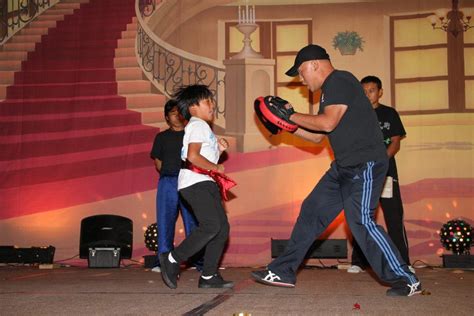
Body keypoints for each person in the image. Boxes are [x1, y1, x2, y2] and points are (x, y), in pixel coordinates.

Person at [251, 44, 421, 296]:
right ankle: (283, 270)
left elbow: (328, 123)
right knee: (312, 210)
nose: (301, 79)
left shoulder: (339, 80)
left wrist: (290, 114)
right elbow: (318, 137)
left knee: (361, 221)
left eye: (301, 72)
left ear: (314, 65)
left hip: (365, 165)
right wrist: (286, 124)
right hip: (343, 167)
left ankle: (406, 279)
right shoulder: (329, 92)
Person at [159, 84, 234, 289]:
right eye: (207, 101)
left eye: (211, 100)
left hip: (203, 181)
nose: (212, 105)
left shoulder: (202, 127)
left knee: (222, 228)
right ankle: (173, 258)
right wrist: (216, 166)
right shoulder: (197, 125)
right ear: (193, 106)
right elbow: (192, 156)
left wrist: (217, 149)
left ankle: (208, 275)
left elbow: (201, 157)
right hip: (195, 182)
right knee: (211, 225)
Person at [348, 75, 413, 274]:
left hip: (385, 172)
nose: (368, 94)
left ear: (380, 92)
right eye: (364, 91)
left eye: (372, 90)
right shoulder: (355, 115)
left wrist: (381, 162)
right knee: (363, 216)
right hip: (363, 173)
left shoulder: (389, 113)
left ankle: (403, 261)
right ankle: (358, 262)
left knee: (394, 216)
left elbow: (395, 142)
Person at [150, 99, 202, 273]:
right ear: (167, 117)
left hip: (189, 180)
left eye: (179, 113)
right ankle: (164, 261)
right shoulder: (161, 137)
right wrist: (169, 175)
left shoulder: (191, 134)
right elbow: (158, 162)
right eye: (173, 113)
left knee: (192, 222)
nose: (177, 116)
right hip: (168, 181)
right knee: (165, 222)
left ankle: (198, 261)